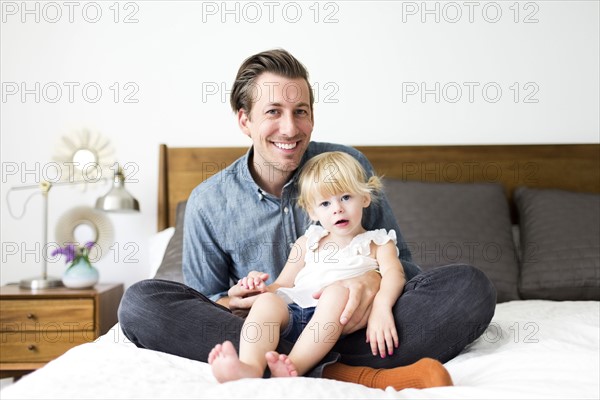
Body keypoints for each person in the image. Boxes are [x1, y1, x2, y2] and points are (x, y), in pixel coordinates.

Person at [118, 48, 496, 390]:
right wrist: (233, 299)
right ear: (244, 120)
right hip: (262, 327)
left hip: (359, 328)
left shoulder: (346, 166)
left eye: (300, 112)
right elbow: (204, 306)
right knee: (140, 304)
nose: (290, 128)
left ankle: (293, 365)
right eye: (273, 112)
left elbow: (407, 269)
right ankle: (345, 373)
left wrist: (370, 281)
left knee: (469, 288)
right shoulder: (208, 202)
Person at [209, 151, 452, 385]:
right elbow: (282, 285)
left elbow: (395, 276)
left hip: (344, 323)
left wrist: (381, 306)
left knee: (336, 292)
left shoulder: (378, 242)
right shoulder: (308, 242)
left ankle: (292, 366)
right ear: (312, 211)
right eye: (325, 203)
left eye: (346, 197)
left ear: (365, 197)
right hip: (294, 315)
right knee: (267, 304)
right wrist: (258, 288)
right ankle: (249, 367)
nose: (337, 208)